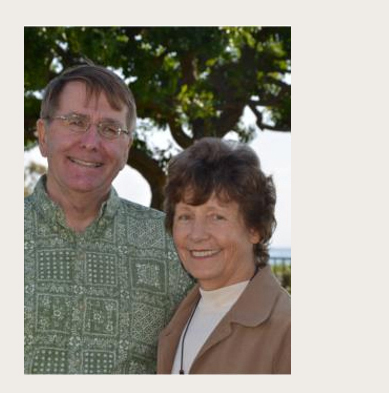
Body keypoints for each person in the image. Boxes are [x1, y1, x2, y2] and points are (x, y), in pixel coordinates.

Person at [24, 64, 193, 374]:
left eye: (110, 129)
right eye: (76, 122)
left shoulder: (174, 244)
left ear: (126, 148)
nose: (91, 142)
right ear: (44, 135)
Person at [156, 137, 291, 374]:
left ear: (255, 229)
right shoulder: (177, 318)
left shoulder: (287, 330)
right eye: (185, 217)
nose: (197, 235)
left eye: (216, 217)